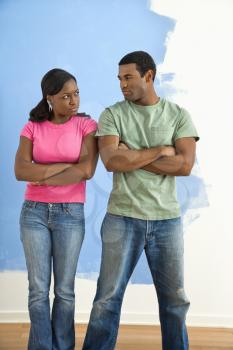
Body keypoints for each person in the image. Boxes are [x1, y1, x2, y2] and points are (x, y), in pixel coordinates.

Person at [82, 51, 199, 350]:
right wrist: (161, 150)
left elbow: (184, 165)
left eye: (128, 77)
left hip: (167, 221)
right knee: (107, 298)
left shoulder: (178, 115)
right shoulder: (112, 114)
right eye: (120, 78)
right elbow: (110, 160)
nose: (122, 84)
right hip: (122, 217)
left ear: (149, 76)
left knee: (174, 301)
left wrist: (131, 155)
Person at [14, 68, 98, 350]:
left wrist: (42, 173)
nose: (74, 101)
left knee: (64, 291)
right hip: (34, 213)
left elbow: (86, 170)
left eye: (76, 94)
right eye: (65, 96)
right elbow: (20, 170)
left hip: (70, 214)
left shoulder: (87, 126)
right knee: (38, 291)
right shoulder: (32, 127)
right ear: (50, 98)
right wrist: (65, 167)